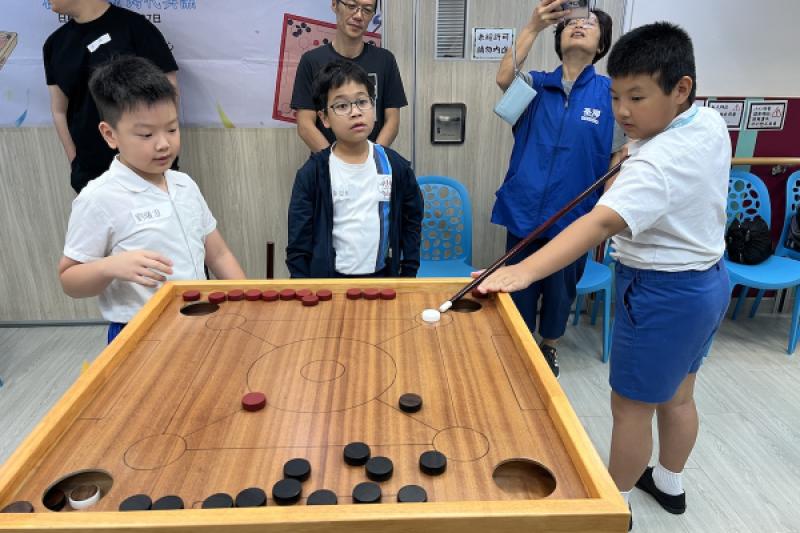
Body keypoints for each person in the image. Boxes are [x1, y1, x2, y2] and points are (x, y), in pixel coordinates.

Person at [478, 22, 731, 528]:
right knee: (679, 394)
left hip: (660, 292)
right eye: (617, 97)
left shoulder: (656, 163)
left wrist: (520, 271)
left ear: (680, 88)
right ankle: (669, 482)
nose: (622, 111)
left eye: (636, 98)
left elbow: (599, 222)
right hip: (707, 282)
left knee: (630, 409)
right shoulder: (707, 121)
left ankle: (611, 507)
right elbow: (508, 88)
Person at [58, 57, 245, 343]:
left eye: (171, 129)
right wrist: (109, 266)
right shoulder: (99, 198)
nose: (163, 144)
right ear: (110, 135)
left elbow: (218, 255)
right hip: (139, 333)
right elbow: (69, 279)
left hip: (199, 322)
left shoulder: (184, 185)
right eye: (146, 134)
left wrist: (247, 298)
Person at [492, 0, 626, 378]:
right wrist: (532, 27)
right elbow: (503, 78)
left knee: (559, 293)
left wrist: (609, 211)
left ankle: (549, 346)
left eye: (591, 23)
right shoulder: (535, 85)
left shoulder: (611, 95)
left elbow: (617, 157)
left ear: (602, 44)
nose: (579, 26)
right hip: (524, 210)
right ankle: (518, 348)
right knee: (518, 289)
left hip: (574, 219)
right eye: (571, 24)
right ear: (558, 38)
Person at [286, 60, 422, 278]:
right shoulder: (313, 174)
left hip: (383, 280)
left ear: (373, 106)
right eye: (342, 106)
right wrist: (304, 287)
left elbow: (411, 223)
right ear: (324, 118)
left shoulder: (395, 167)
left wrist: (408, 274)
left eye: (362, 101)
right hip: (329, 284)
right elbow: (298, 243)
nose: (355, 112)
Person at [43, 0, 179, 193]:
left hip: (146, 168)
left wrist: (160, 150)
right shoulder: (55, 44)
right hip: (91, 173)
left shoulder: (136, 28)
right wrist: (75, 162)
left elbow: (169, 93)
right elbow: (59, 110)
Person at [291, 0, 406, 152]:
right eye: (351, 6)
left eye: (367, 10)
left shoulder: (385, 60)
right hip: (327, 161)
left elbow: (392, 120)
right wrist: (335, 161)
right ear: (335, 4)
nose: (358, 16)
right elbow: (305, 125)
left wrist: (373, 159)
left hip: (373, 161)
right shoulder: (311, 61)